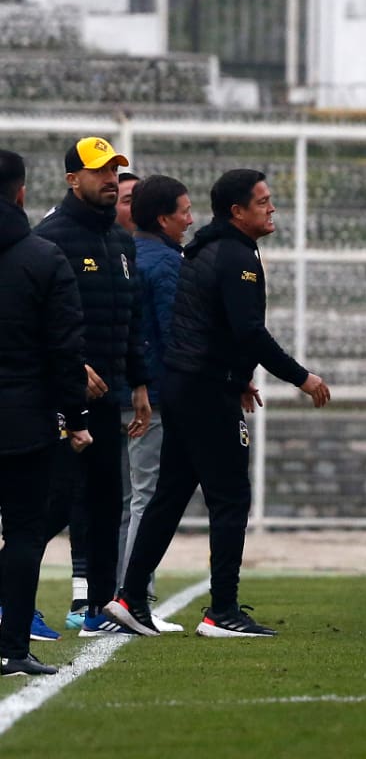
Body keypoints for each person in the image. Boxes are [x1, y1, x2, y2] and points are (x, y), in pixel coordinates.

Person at [106, 169, 331, 638]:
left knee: (169, 496)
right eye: (263, 202)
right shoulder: (234, 255)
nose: (272, 209)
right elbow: (248, 330)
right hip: (208, 392)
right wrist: (302, 378)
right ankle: (222, 611)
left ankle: (128, 598)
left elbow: (213, 326)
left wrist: (242, 376)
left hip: (187, 387)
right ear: (238, 211)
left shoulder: (209, 248)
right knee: (230, 498)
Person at [36, 137, 152, 637]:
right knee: (51, 505)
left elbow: (126, 319)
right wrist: (71, 367)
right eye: (100, 171)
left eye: (114, 170)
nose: (110, 178)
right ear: (72, 179)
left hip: (108, 400)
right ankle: (8, 601)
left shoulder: (119, 241)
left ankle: (100, 609)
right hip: (58, 399)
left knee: (108, 502)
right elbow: (32, 317)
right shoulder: (50, 238)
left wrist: (140, 383)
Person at [0, 149, 92, 677]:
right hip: (24, 422)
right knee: (25, 534)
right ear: (21, 192)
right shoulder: (42, 258)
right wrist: (76, 419)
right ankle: (12, 647)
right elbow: (65, 349)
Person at [114, 175, 194, 633]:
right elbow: (172, 336)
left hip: (122, 393)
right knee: (147, 497)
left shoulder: (128, 254)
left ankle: (117, 594)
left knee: (128, 501)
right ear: (163, 218)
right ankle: (134, 599)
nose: (190, 219)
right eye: (184, 211)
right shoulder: (165, 263)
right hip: (152, 397)